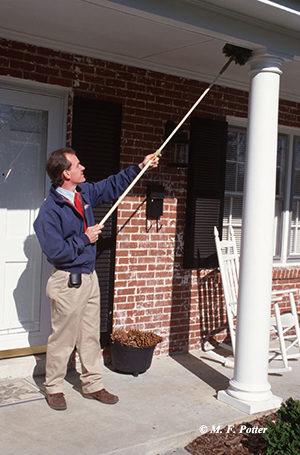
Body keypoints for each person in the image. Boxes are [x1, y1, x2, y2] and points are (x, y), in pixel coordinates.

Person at [34, 147, 159, 410]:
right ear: (66, 173)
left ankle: (92, 385)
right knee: (63, 338)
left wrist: (140, 167)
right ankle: (54, 387)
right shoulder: (49, 211)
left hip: (89, 278)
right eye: (78, 165)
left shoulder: (84, 193)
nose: (83, 168)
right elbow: (55, 251)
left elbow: (112, 185)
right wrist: (84, 238)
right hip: (68, 281)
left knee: (90, 334)